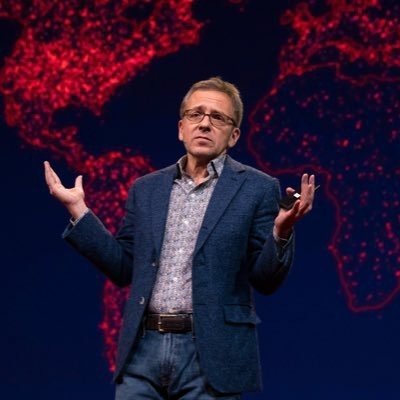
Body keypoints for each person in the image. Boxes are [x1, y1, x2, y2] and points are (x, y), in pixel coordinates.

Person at [44, 77, 315, 399]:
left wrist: (281, 232)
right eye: (195, 114)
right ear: (181, 128)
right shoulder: (146, 189)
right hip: (142, 351)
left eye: (218, 117)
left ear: (234, 135)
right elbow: (123, 267)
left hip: (212, 354)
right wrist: (78, 210)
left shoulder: (258, 188)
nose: (205, 124)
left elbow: (265, 280)